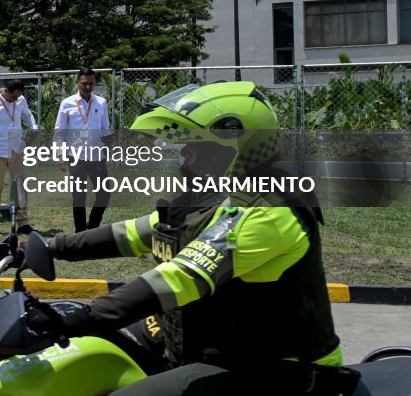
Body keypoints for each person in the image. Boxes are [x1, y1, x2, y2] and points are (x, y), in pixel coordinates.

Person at [28, 81, 351, 394]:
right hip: (220, 344)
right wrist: (51, 247)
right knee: (93, 356)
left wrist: (84, 315)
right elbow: (135, 233)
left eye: (193, 146)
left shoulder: (268, 210)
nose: (184, 154)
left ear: (230, 148)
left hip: (278, 369)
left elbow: (181, 277)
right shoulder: (212, 199)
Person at [0, 79, 38, 236]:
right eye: (14, 97)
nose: (16, 100)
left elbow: (28, 116)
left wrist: (34, 129)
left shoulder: (20, 100)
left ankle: (23, 223)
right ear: (6, 91)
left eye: (18, 97)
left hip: (17, 149)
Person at [54, 68, 112, 232]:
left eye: (91, 84)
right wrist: (60, 154)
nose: (87, 87)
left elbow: (105, 128)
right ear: (77, 83)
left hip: (97, 155)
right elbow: (59, 131)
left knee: (104, 194)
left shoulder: (101, 102)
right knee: (79, 196)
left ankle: (92, 227)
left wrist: (109, 146)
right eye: (84, 83)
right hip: (76, 156)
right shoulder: (67, 103)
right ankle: (80, 232)